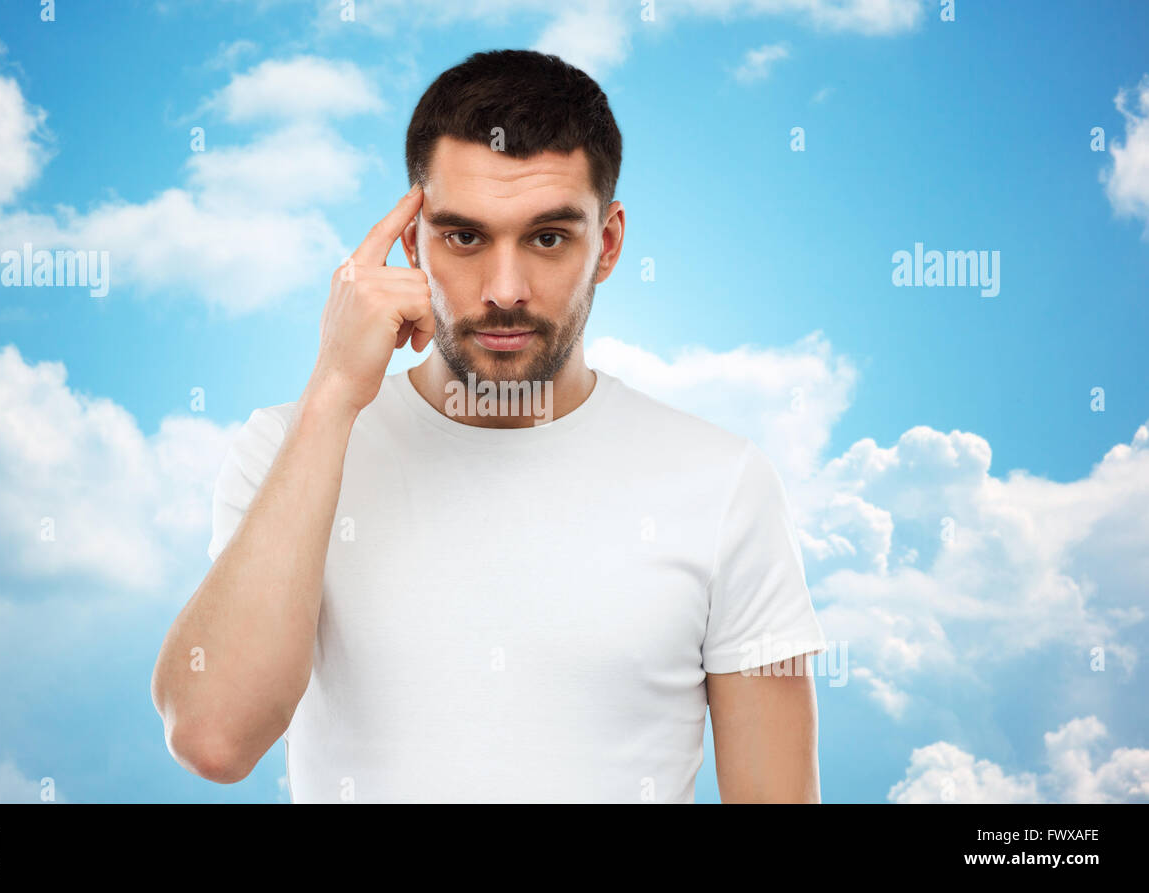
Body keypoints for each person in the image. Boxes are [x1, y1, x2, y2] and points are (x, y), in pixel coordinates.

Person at [151, 49, 827, 803]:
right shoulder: (290, 446)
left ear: (606, 244)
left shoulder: (724, 483)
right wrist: (334, 391)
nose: (505, 291)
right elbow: (213, 737)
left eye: (547, 237)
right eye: (465, 237)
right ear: (412, 244)